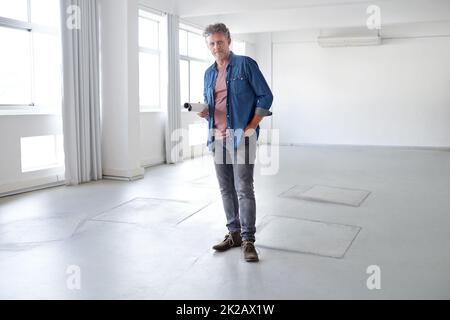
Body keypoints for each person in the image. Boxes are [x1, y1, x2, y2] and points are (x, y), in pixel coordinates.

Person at [198, 23, 273, 262]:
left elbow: (266, 96)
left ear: (229, 41)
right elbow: (215, 105)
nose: (216, 47)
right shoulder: (209, 73)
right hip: (217, 138)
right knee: (225, 189)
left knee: (244, 188)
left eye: (220, 41)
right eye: (211, 43)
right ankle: (234, 234)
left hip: (242, 138)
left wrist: (251, 126)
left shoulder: (245, 65)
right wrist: (205, 111)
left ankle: (249, 240)